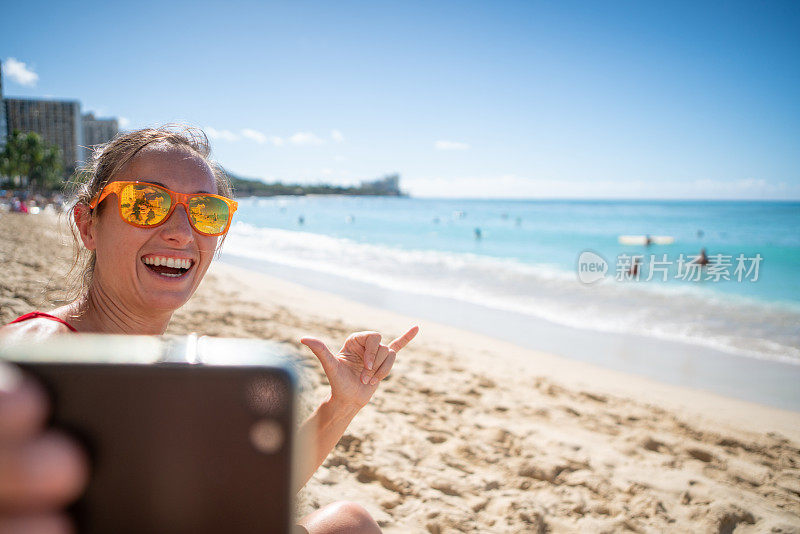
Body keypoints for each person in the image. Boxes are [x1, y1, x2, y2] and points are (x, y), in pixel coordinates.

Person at [0, 126, 418, 534]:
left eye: (205, 212)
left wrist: (342, 403)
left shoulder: (166, 365)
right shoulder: (48, 349)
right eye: (145, 203)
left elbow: (242, 494)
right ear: (88, 225)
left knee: (349, 521)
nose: (182, 232)